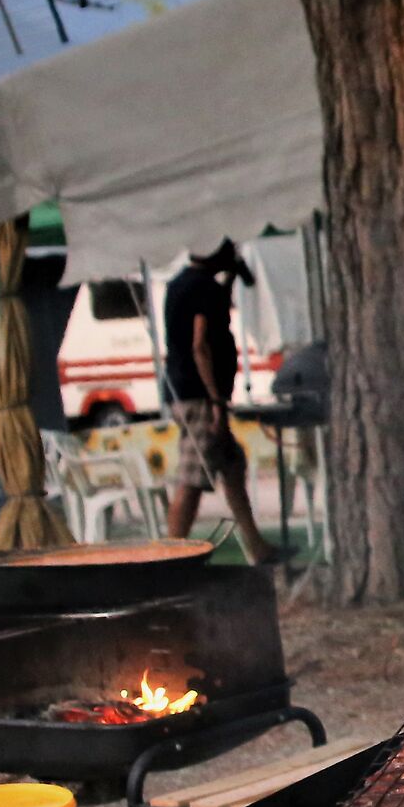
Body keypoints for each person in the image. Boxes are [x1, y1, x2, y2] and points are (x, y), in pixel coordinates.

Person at [163, 240, 275, 564]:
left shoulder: (179, 284)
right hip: (200, 396)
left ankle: (256, 546)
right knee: (193, 477)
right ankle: (169, 559)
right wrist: (216, 402)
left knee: (232, 466)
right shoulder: (204, 288)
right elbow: (201, 343)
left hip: (185, 390)